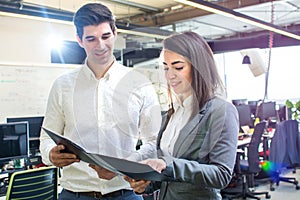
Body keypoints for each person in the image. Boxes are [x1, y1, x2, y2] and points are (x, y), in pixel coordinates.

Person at [39, 3, 161, 200]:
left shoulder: (140, 84)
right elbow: (45, 139)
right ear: (79, 40)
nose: (100, 46)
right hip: (74, 194)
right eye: (91, 39)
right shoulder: (62, 86)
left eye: (105, 36)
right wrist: (51, 155)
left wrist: (123, 165)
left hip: (125, 193)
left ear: (115, 33)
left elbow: (154, 141)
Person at [124, 31, 239, 199]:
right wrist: (145, 184)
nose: (170, 75)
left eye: (178, 67)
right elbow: (167, 174)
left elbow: (221, 175)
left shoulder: (221, 110)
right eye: (166, 67)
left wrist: (167, 165)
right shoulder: (171, 113)